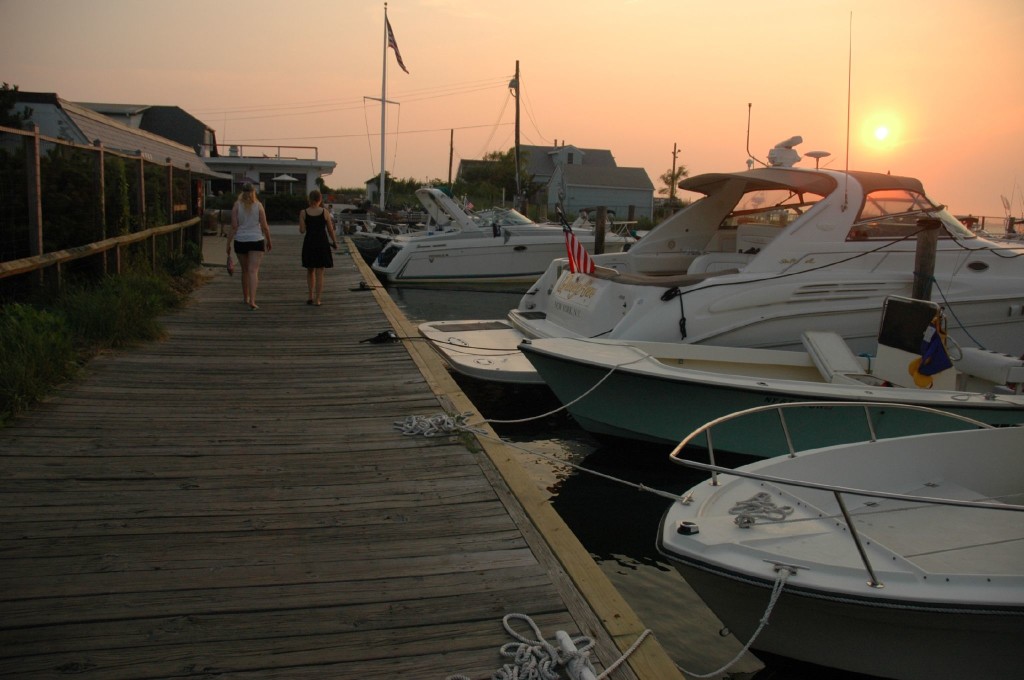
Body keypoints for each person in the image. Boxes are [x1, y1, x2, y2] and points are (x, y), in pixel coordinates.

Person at [226, 182, 272, 310]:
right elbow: (264, 226)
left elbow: (234, 227)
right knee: (253, 271)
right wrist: (269, 240)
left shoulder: (236, 205)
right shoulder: (258, 206)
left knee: (245, 270)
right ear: (253, 192)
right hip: (256, 240)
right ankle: (252, 300)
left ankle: (245, 297)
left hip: (240, 240)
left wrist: (228, 243)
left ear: (242, 192)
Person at [299, 189, 337, 306]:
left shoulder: (303, 212)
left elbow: (302, 231)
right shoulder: (325, 212)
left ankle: (310, 296)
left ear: (309, 199)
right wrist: (335, 242)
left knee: (310, 270)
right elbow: (330, 230)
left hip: (309, 243)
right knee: (320, 272)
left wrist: (304, 223)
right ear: (320, 199)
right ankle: (318, 299)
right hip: (322, 243)